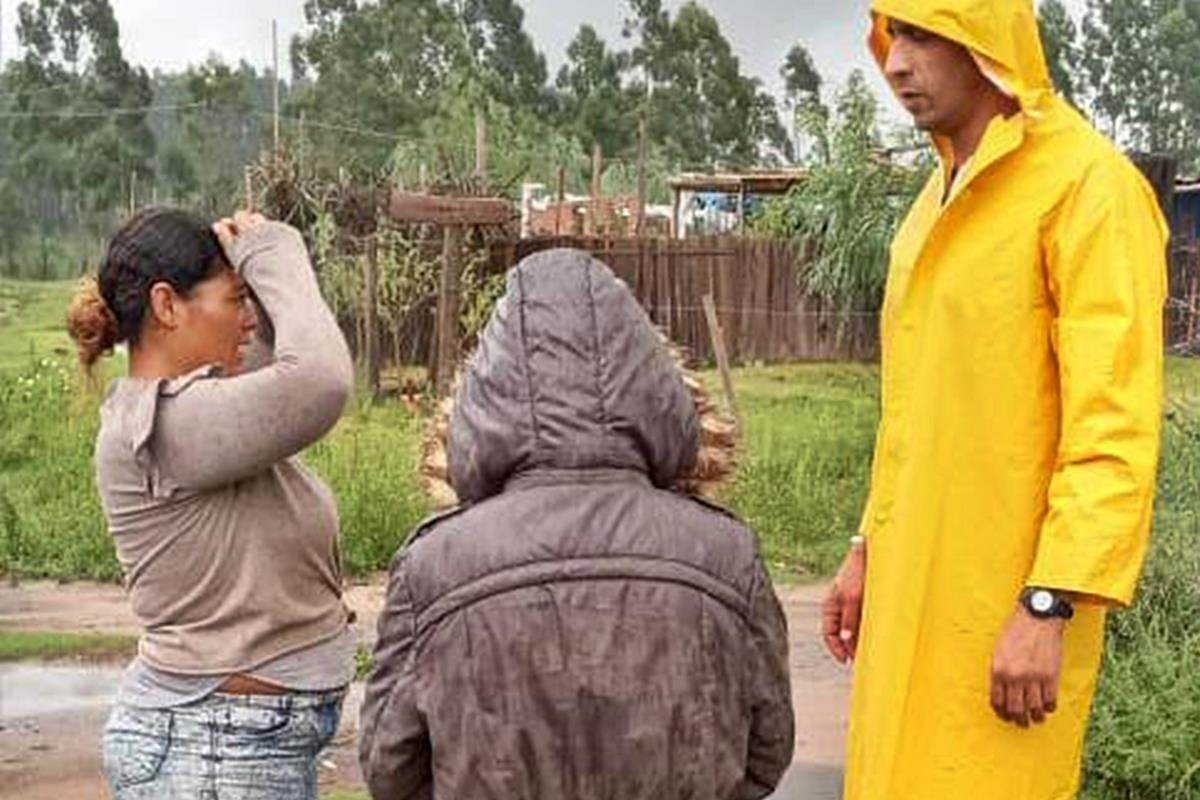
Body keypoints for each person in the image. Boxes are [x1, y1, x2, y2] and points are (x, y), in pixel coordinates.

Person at [821, 1, 1168, 798]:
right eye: (892, 36)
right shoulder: (935, 198)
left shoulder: (1086, 189)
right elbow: (912, 406)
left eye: (923, 34)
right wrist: (866, 544)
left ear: (990, 39)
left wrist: (1049, 604)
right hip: (914, 585)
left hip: (1010, 607)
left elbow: (1113, 425)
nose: (897, 63)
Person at [359, 248, 794, 799]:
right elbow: (767, 751)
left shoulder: (434, 566)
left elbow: (389, 766)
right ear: (654, 387)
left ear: (486, 397)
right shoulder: (727, 555)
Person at [67, 208, 357, 799]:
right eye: (235, 299)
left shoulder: (205, 409)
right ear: (167, 305)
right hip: (213, 747)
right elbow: (319, 381)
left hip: (233, 743)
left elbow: (281, 365)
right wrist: (277, 250)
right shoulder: (159, 424)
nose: (248, 318)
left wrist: (255, 272)